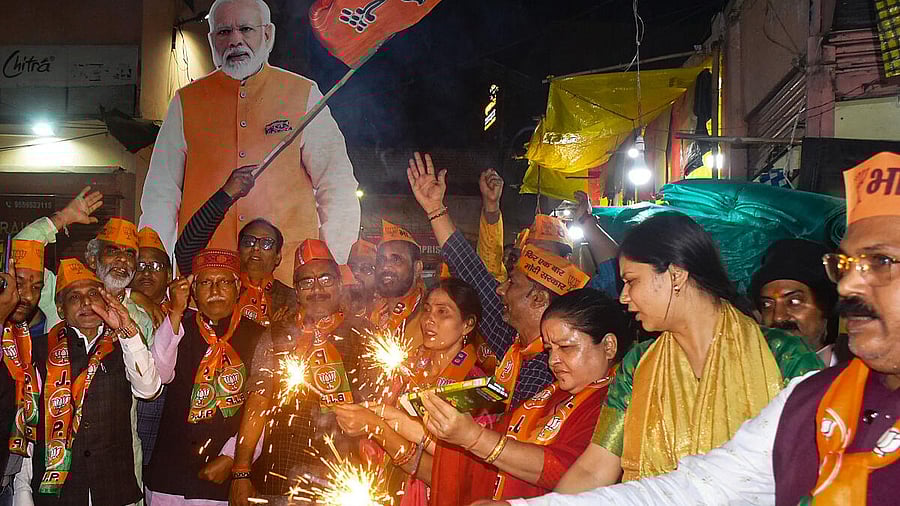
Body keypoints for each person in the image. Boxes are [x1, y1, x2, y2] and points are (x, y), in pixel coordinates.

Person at [480, 152, 900, 506]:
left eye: (879, 262)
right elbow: (694, 486)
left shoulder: (785, 360)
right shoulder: (822, 394)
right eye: (845, 266)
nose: (848, 285)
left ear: (676, 276)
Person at [519, 213, 822, 496]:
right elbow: (594, 468)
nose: (623, 297)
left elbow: (819, 470)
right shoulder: (638, 365)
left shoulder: (783, 357)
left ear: (675, 275)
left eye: (631, 281)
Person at [140, 0, 361, 282]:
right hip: (209, 280)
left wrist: (331, 263)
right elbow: (162, 194)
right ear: (211, 40)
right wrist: (155, 266)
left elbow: (337, 184)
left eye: (246, 29)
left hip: (286, 279)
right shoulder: (187, 101)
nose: (235, 40)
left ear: (268, 34)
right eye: (224, 32)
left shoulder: (303, 93)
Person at [417, 288, 636, 505]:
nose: (552, 361)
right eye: (550, 349)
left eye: (566, 347)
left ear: (608, 346)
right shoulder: (550, 395)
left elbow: (570, 470)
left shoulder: (614, 404)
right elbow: (493, 442)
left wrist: (472, 437)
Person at [407, 153, 590, 408]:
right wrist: (435, 209)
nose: (501, 289)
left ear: (538, 298)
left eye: (512, 283)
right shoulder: (513, 343)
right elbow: (471, 270)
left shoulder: (552, 370)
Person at [229, 239, 372, 506]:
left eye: (326, 279)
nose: (316, 288)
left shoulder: (364, 335)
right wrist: (240, 471)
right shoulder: (276, 335)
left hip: (343, 481)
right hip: (279, 477)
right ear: (296, 291)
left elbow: (379, 407)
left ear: (340, 284)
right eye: (307, 282)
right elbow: (257, 402)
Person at [333, 277, 492, 505]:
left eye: (442, 312)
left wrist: (377, 427)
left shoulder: (473, 386)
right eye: (427, 310)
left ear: (467, 324)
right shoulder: (410, 367)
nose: (429, 320)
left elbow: (455, 471)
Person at [14, 258, 161, 505]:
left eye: (93, 294)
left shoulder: (124, 345)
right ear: (60, 309)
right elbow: (28, 426)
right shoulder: (38, 351)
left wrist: (128, 332)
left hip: (114, 490)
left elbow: (149, 389)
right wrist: (23, 492)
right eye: (74, 297)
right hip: (57, 493)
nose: (86, 302)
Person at [145, 249, 266, 505]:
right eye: (205, 283)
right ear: (194, 292)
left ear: (237, 288)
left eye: (224, 282)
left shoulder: (259, 336)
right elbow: (159, 375)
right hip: (169, 473)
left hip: (221, 473)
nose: (215, 290)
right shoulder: (178, 327)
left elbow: (262, 407)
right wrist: (176, 312)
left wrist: (233, 457)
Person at [174, 168, 299, 326]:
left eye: (266, 243)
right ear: (238, 251)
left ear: (278, 256)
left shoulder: (291, 299)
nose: (256, 248)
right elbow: (185, 249)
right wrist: (226, 194)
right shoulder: (220, 286)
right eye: (249, 242)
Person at [16, 211, 155, 348]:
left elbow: (147, 368)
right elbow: (19, 253)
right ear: (92, 259)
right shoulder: (63, 289)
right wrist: (62, 218)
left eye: (130, 254)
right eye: (112, 251)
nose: (123, 258)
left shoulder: (142, 318)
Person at [750, 238, 845, 366]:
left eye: (793, 301)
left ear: (826, 308)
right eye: (767, 305)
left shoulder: (853, 375)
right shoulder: (750, 375)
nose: (778, 317)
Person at [0, 242, 45, 504]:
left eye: (37, 287)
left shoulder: (30, 335)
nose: (26, 296)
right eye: (17, 283)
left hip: (11, 481)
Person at [132, 227, 174, 476]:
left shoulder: (187, 318)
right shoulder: (114, 310)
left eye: (156, 266)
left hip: (170, 439)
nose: (147, 272)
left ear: (169, 275)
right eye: (140, 265)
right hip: (123, 436)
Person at [371, 220, 427, 349]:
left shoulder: (429, 314)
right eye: (381, 260)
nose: (385, 267)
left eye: (396, 260)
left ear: (417, 268)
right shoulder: (372, 312)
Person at [347, 239, 378, 315]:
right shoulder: (333, 311)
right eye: (352, 267)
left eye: (366, 268)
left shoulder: (385, 314)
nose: (355, 273)